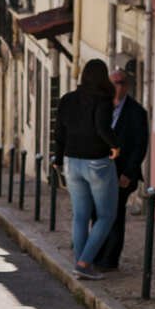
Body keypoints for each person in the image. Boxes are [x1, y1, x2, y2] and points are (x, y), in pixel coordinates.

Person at [53, 59, 120, 280]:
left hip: (72, 161)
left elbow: (59, 131)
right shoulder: (102, 100)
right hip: (97, 163)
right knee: (106, 215)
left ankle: (79, 263)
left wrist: (58, 158)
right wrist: (115, 145)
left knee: (80, 216)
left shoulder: (67, 100)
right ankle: (84, 262)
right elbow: (102, 127)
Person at [94, 68, 149, 270]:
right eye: (114, 83)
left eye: (121, 83)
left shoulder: (137, 113)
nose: (117, 87)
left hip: (121, 175)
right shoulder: (100, 106)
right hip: (98, 171)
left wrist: (129, 172)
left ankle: (109, 259)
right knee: (97, 213)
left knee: (115, 215)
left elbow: (140, 146)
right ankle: (96, 253)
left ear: (127, 86)